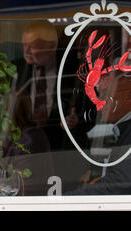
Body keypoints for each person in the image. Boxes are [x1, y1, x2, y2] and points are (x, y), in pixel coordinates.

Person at [6, 21, 95, 194]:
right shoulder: (15, 69)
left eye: (33, 46)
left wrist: (78, 120)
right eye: (24, 45)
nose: (26, 51)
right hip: (28, 156)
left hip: (65, 157)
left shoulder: (76, 69)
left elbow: (94, 112)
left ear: (51, 46)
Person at [66, 69, 131, 195]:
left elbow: (120, 183)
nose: (98, 102)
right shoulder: (122, 129)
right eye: (99, 94)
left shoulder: (127, 132)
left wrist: (68, 200)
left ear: (129, 96)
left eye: (106, 94)